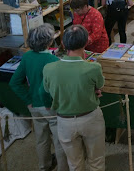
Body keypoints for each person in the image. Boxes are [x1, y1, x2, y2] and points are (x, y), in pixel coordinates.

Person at [42, 25, 105, 171]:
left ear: (64, 44)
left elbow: (48, 90)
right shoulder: (93, 68)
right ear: (85, 44)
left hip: (64, 121)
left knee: (74, 164)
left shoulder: (49, 69)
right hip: (90, 118)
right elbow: (100, 85)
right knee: (96, 161)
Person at [9, 24, 68, 171]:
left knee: (41, 138)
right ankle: (62, 167)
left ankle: (44, 166)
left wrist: (28, 101)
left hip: (34, 105)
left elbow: (14, 82)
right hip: (51, 106)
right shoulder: (53, 61)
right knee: (59, 139)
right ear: (48, 42)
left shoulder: (27, 56)